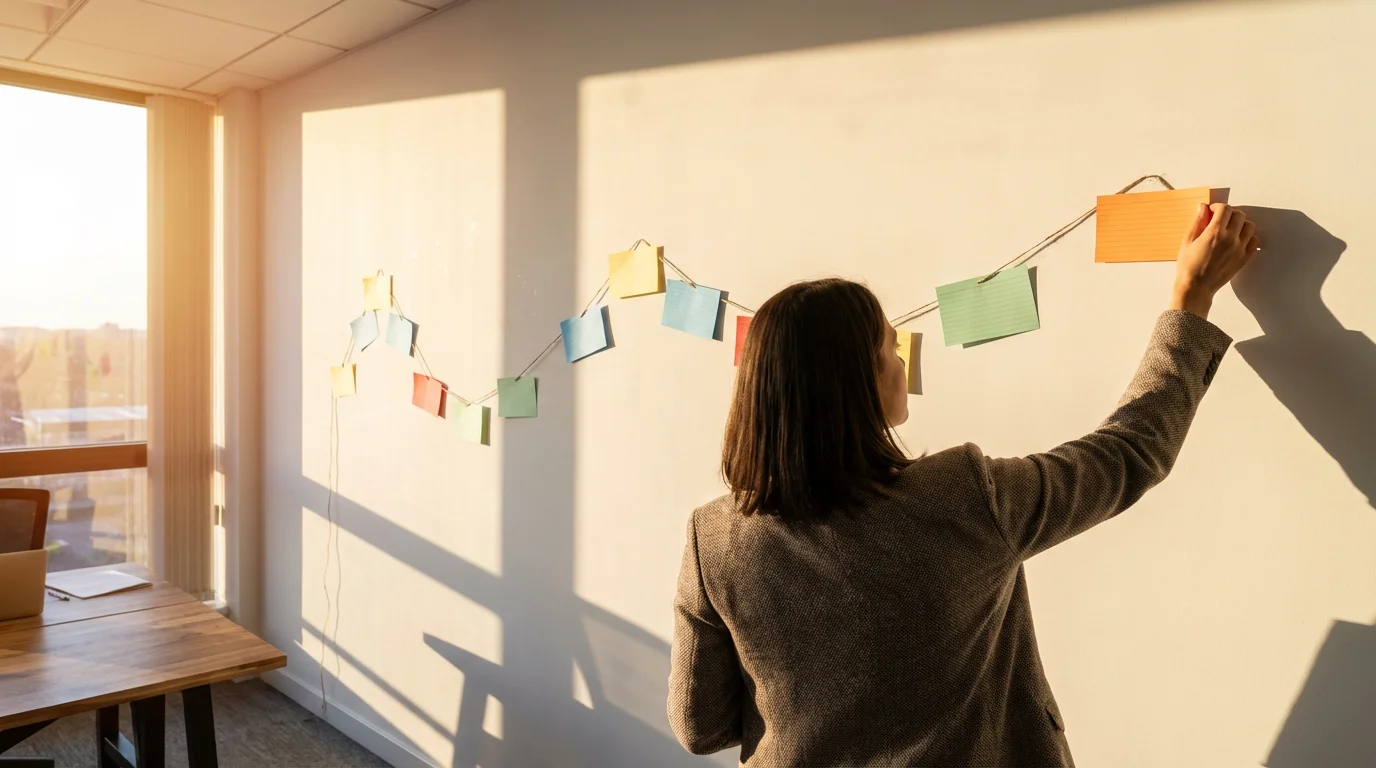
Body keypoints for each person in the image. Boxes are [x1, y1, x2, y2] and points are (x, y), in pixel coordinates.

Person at [668, 203, 1260, 766]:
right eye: (886, 346)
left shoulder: (713, 538)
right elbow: (1129, 453)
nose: (900, 361)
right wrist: (1191, 298)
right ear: (858, 383)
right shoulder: (965, 496)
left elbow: (702, 728)